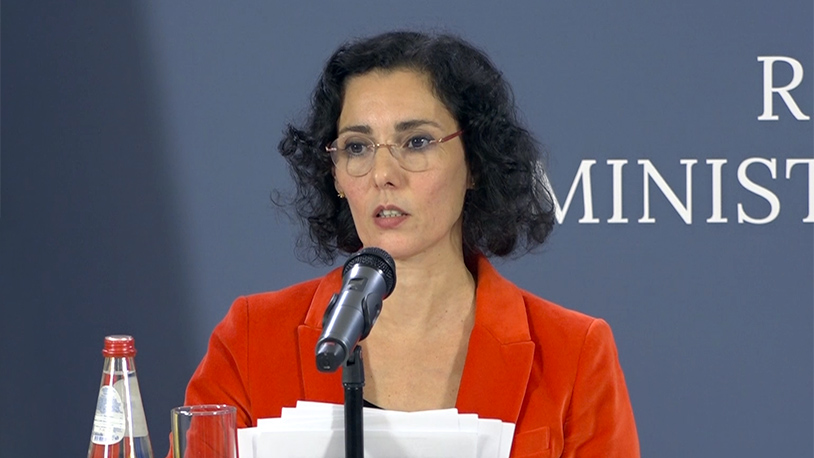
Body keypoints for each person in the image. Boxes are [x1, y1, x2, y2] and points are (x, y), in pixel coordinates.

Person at [179, 31, 640, 457]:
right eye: (357, 147)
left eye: (416, 142)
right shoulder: (251, 340)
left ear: (475, 163)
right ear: (335, 175)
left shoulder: (573, 352)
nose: (384, 174)